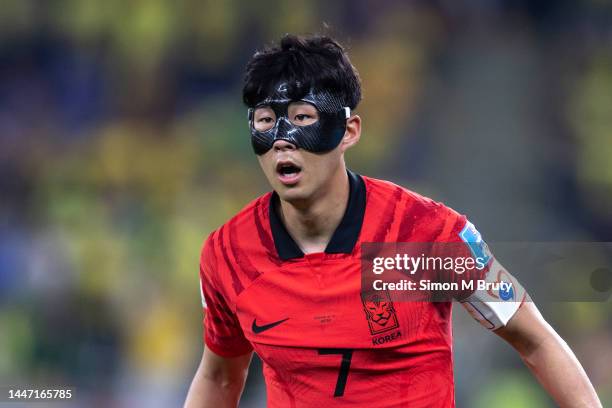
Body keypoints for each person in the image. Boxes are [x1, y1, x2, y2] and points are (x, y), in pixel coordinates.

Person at [184, 34, 601, 408]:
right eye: (265, 121)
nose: (282, 139)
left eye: (303, 118)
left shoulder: (428, 235)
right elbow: (220, 376)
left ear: (348, 130)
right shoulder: (229, 254)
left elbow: (535, 339)